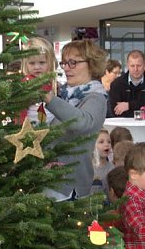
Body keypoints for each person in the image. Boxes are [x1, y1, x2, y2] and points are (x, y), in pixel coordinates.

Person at [41, 39, 107, 199]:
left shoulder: (96, 98)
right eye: (64, 63)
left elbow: (82, 123)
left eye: (73, 63)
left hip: (69, 186)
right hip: (50, 180)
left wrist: (50, 100)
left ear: (91, 64)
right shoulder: (66, 95)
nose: (66, 69)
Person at [109, 50, 145, 118]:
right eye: (132, 66)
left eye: (139, 65)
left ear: (144, 65)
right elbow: (116, 112)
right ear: (127, 65)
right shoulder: (117, 84)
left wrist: (129, 105)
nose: (135, 69)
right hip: (125, 125)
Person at [19, 36, 57, 125]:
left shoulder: (50, 80)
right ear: (26, 64)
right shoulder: (27, 83)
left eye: (42, 62)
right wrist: (22, 124)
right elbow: (20, 108)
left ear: (50, 62)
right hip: (32, 126)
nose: (37, 67)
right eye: (32, 63)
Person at [92, 129, 113, 193]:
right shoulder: (87, 168)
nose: (107, 144)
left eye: (109, 142)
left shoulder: (112, 168)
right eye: (101, 142)